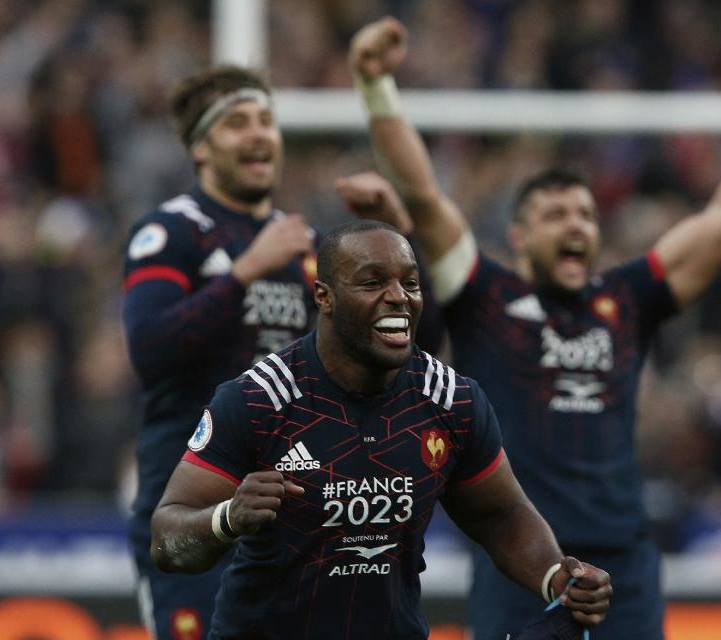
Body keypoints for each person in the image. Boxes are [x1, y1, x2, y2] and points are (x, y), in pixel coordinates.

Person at [348, 16, 721, 640]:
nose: (574, 224)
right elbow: (422, 192)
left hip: (621, 563)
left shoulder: (627, 298)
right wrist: (375, 84)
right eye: (553, 214)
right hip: (520, 558)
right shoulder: (484, 294)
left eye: (583, 213)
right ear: (519, 237)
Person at [150, 220, 612, 640]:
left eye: (409, 283)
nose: (398, 296)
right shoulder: (258, 399)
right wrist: (227, 518)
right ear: (324, 297)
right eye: (373, 282)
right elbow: (167, 541)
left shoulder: (451, 400)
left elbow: (501, 515)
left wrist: (555, 576)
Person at [122, 65, 415, 639]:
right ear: (202, 148)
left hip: (301, 515)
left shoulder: (308, 247)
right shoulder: (171, 232)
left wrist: (397, 227)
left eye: (265, 120)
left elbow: (393, 347)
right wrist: (245, 272)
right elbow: (150, 350)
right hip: (197, 510)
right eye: (237, 123)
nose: (259, 134)